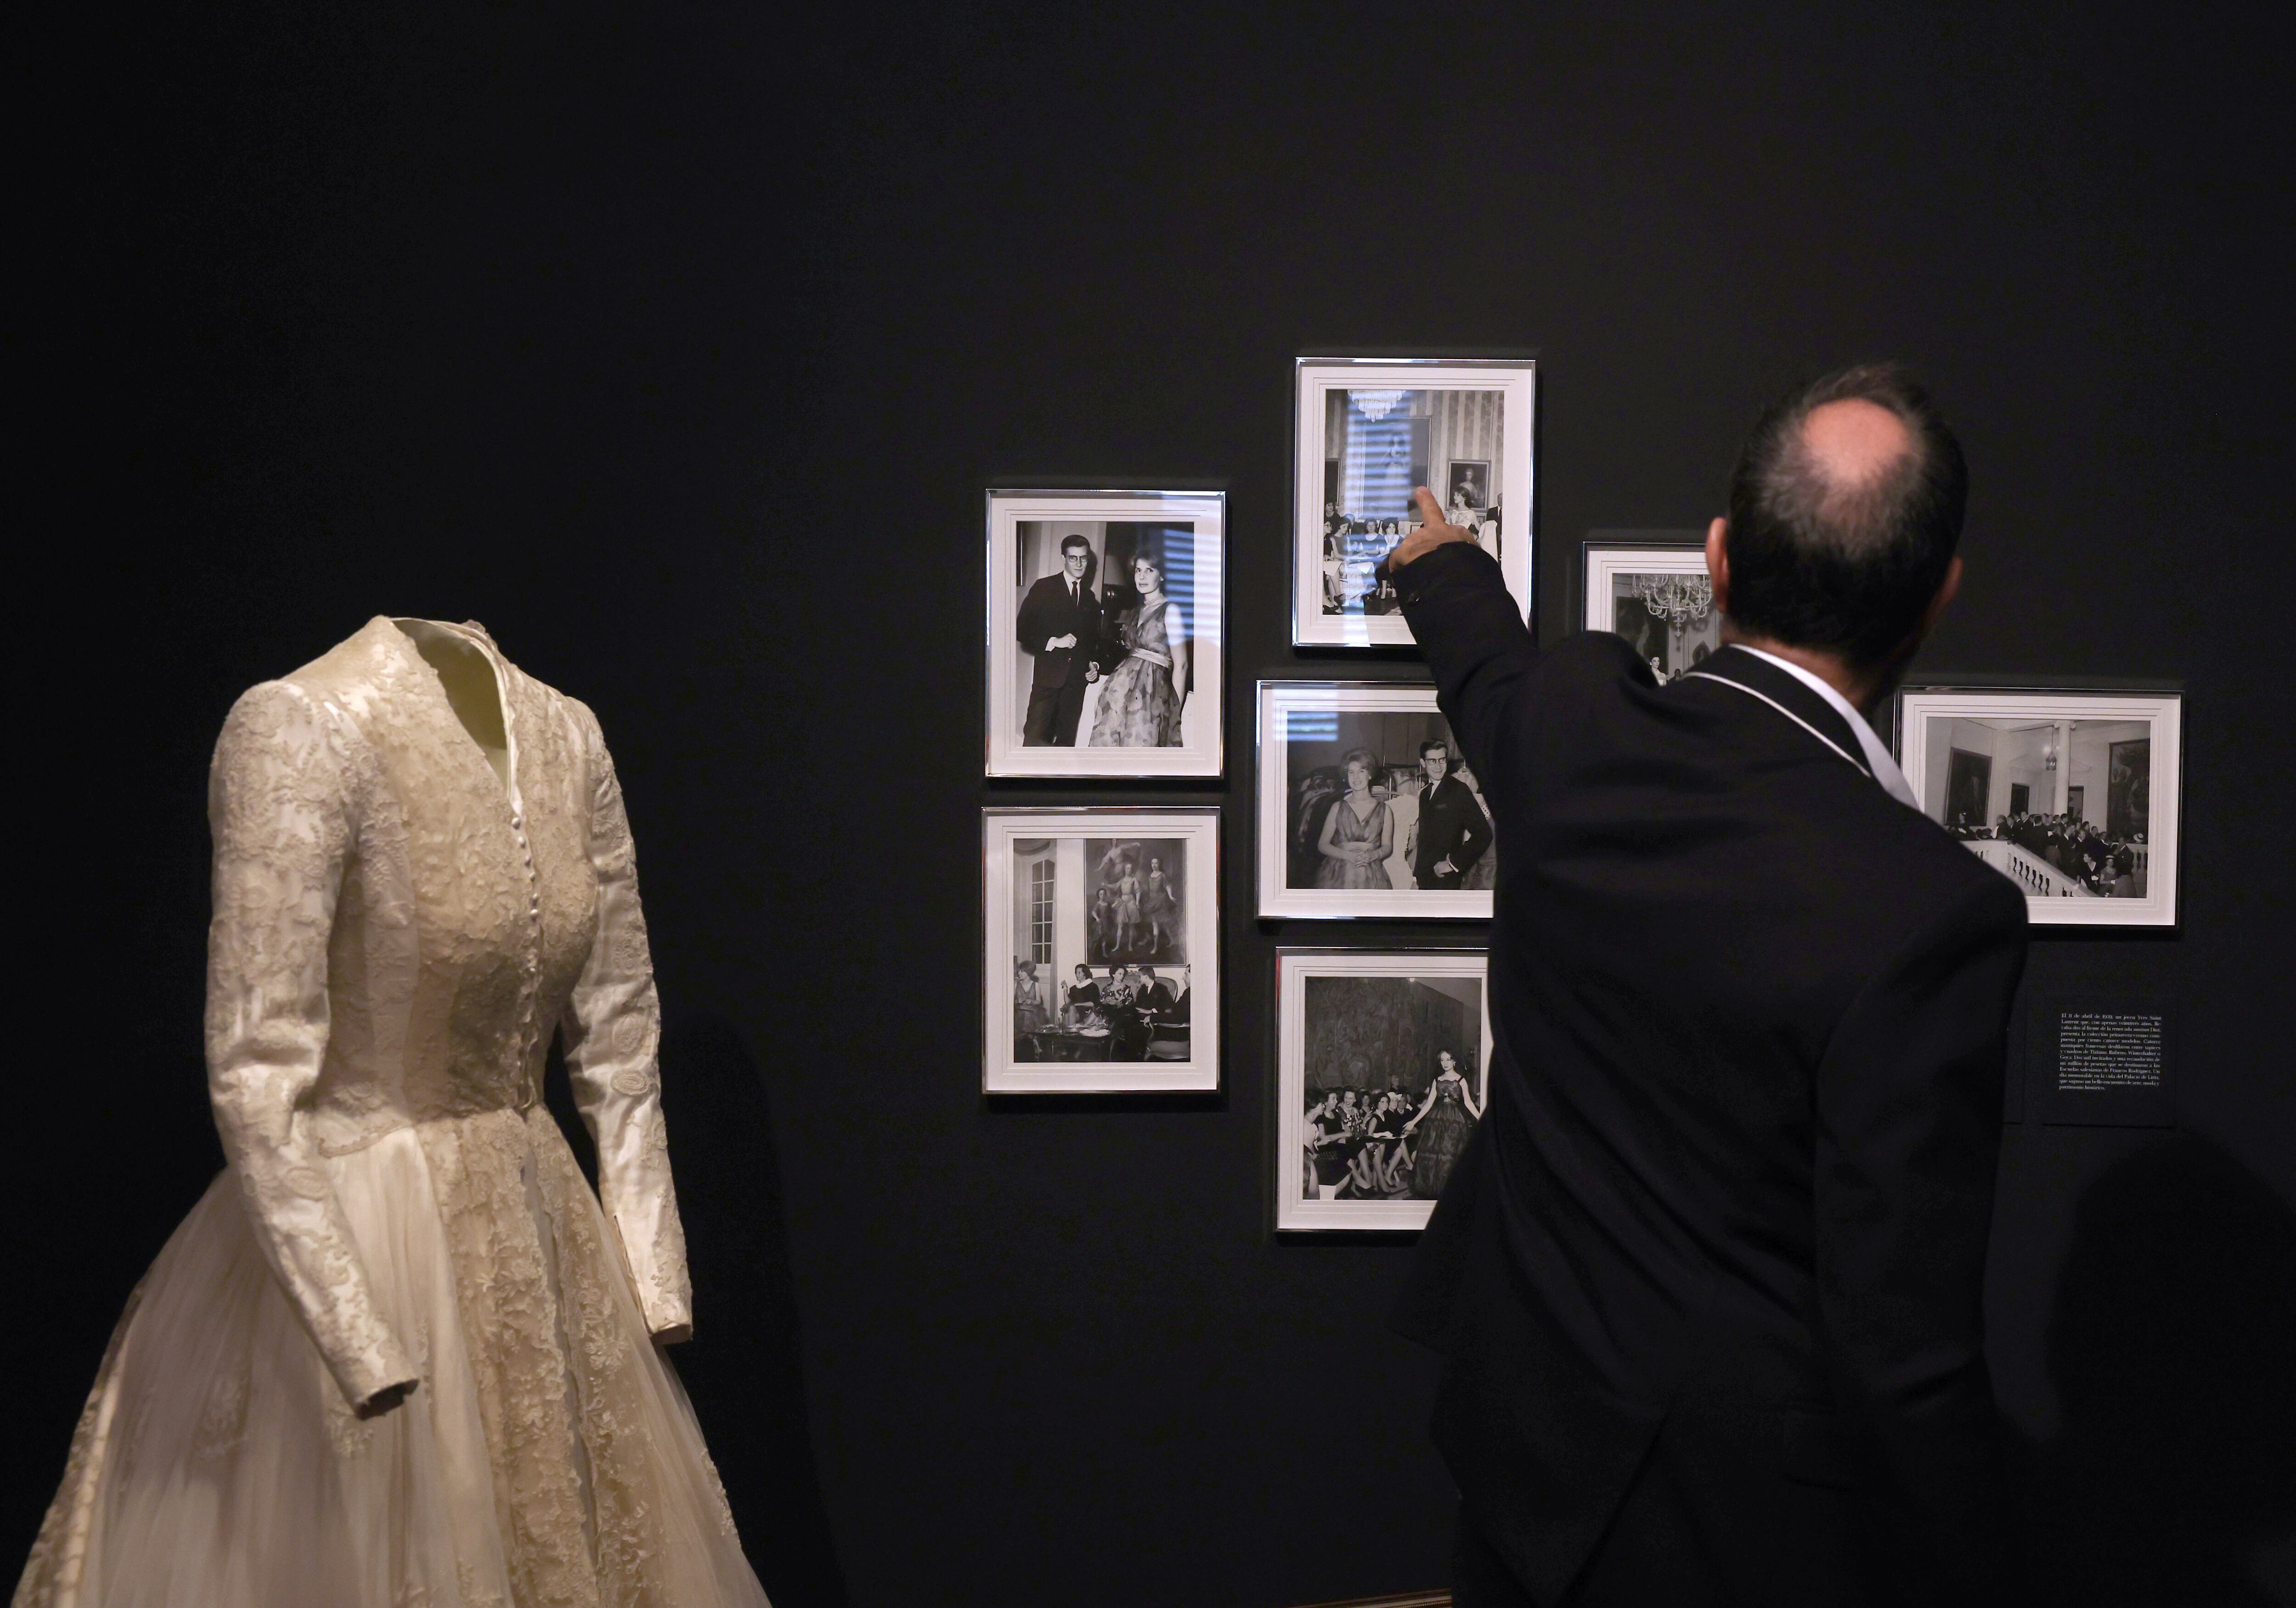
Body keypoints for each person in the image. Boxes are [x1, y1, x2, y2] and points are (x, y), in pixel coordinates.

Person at [1382, 364, 2028, 1606]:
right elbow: (1906, 1353)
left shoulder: (1577, 731)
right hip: (1744, 1542)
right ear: (1937, 600)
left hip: (1526, 1471)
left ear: (1718, 559)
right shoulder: (1935, 913)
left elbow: (1495, 680)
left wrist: (1442, 564)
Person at [1088, 545, 1188, 747]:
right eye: (1138, 570)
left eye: (1149, 570)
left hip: (1151, 695)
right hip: (1120, 693)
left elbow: (1182, 665)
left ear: (1162, 576)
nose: (1142, 577)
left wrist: (1174, 709)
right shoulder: (1135, 612)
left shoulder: (1171, 611)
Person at [1015, 533, 1107, 745]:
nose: (1079, 563)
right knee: (1035, 739)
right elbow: (1021, 630)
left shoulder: (1090, 600)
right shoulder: (1044, 588)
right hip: (1048, 681)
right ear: (1063, 558)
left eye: (1083, 558)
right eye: (1073, 558)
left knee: (1065, 744)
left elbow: (1091, 643)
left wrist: (1093, 664)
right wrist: (1053, 641)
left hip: (1076, 685)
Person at [1404, 738, 1493, 890]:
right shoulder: (1425, 794)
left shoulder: (1459, 790)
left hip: (1446, 880)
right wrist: (1416, 878)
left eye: (1442, 760)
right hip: (1424, 880)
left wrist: (1453, 864)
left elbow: (1483, 834)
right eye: (1432, 761)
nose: (1438, 766)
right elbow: (1425, 841)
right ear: (1423, 763)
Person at [1401, 1048, 1481, 1197]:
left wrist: (1481, 1118)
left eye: (1448, 1059)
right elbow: (1428, 1104)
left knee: (1450, 1157)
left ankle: (1451, 1192)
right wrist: (1413, 1121)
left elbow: (1469, 1103)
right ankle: (1437, 1193)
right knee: (1433, 1157)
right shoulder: (1437, 1080)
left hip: (1455, 1122)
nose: (1445, 1063)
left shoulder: (1461, 1080)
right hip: (1436, 1121)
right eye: (1442, 1060)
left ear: (1454, 1061)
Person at [1315, 747, 1396, 888]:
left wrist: (1374, 856)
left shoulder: (1385, 810)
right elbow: (1323, 845)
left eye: (1361, 771)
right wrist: (1348, 856)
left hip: (1372, 875)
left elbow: (1388, 847)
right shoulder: (1337, 808)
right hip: (1338, 875)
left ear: (1370, 775)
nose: (1356, 777)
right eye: (1351, 773)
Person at [1142, 856, 1180, 953]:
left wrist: (1171, 897)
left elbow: (1167, 886)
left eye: (1156, 863)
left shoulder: (1162, 875)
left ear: (1160, 864)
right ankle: (1168, 941)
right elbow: (1148, 889)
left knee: (1160, 924)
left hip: (1160, 901)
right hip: (1151, 901)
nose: (1154, 865)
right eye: (1153, 863)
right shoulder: (1150, 876)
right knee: (1158, 924)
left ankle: (1156, 947)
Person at [1014, 960, 1051, 1036]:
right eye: (1019, 971)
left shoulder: (1036, 985)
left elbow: (1039, 1001)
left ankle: (1030, 1038)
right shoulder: (1016, 985)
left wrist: (1032, 1002)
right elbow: (1010, 1001)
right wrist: (1017, 1001)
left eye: (1022, 972)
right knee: (1021, 1015)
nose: (1019, 973)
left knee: (1029, 1015)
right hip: (1019, 1012)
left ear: (1028, 973)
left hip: (1032, 1012)